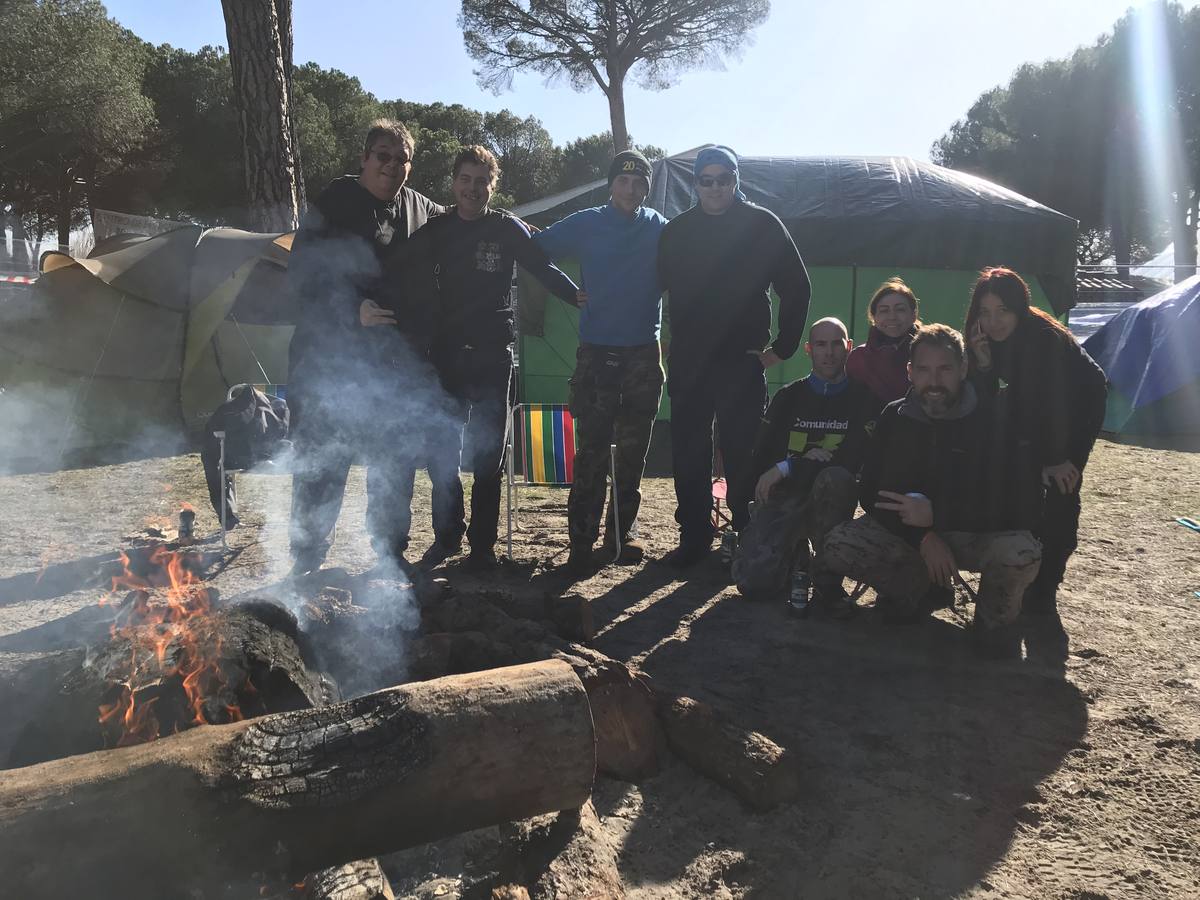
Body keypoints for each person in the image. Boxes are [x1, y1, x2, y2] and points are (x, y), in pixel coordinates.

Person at [405, 146, 581, 570]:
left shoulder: (505, 229)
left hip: (492, 358)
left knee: (489, 458)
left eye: (481, 180)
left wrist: (579, 297)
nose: (472, 188)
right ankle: (447, 536)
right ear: (453, 183)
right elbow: (401, 269)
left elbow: (543, 268)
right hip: (445, 357)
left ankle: (482, 546)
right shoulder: (437, 229)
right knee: (441, 454)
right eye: (465, 179)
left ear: (492, 185)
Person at [823, 324, 1044, 658]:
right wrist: (924, 537)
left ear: (964, 368)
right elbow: (871, 492)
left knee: (1021, 552)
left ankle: (992, 620)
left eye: (945, 369)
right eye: (924, 370)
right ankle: (921, 588)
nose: (934, 381)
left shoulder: (994, 420)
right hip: (912, 537)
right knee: (839, 544)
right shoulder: (894, 416)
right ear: (910, 372)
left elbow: (1026, 503)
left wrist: (941, 514)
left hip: (977, 532)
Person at [286, 119, 446, 577]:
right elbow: (300, 275)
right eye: (382, 156)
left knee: (394, 464)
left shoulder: (417, 207)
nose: (391, 166)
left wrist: (513, 225)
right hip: (328, 363)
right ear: (364, 158)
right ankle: (306, 561)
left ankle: (389, 558)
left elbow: (462, 218)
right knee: (323, 461)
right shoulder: (334, 202)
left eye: (401, 160)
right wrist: (350, 310)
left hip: (392, 366)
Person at [657, 146, 811, 568]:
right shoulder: (677, 232)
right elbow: (648, 288)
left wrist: (781, 349)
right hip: (690, 361)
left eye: (723, 179)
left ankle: (746, 533)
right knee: (688, 450)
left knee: (744, 451)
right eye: (705, 180)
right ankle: (693, 536)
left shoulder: (762, 226)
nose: (714, 187)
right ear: (696, 184)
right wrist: (655, 341)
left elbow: (797, 287)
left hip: (741, 363)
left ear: (735, 180)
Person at [533, 149, 668, 575]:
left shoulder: (661, 229)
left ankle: (617, 538)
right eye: (624, 181)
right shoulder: (588, 222)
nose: (631, 189)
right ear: (611, 184)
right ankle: (580, 542)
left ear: (647, 187)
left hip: (644, 356)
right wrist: (566, 290)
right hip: (597, 355)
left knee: (631, 457)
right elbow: (535, 249)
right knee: (591, 454)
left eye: (640, 182)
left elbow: (694, 262)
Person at [965, 267, 1107, 657]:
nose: (993, 321)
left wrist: (1062, 459)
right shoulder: (994, 342)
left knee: (1060, 500)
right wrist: (983, 362)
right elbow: (998, 404)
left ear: (1020, 308)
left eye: (1003, 311)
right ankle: (1023, 583)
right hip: (1035, 434)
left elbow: (1063, 403)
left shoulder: (1043, 340)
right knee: (1026, 502)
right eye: (985, 311)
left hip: (1073, 426)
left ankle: (1044, 595)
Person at [731, 318, 878, 616]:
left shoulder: (864, 400)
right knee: (753, 584)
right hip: (787, 500)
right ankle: (797, 554)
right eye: (821, 344)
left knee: (835, 476)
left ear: (848, 348)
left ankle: (827, 581)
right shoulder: (788, 397)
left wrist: (791, 467)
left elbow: (850, 461)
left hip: (830, 504)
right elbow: (762, 458)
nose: (829, 352)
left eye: (837, 343)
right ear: (809, 350)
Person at [845, 277, 921, 404]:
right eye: (884, 310)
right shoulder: (858, 359)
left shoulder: (928, 355)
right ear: (873, 317)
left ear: (913, 315)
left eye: (900, 309)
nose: (892, 317)